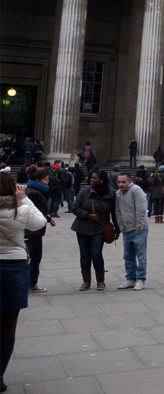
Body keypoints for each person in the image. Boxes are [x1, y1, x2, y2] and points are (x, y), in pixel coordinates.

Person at [0, 170, 47, 393]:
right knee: (7, 327)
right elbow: (39, 223)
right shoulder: (21, 208)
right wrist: (24, 198)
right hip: (14, 267)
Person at [71, 170, 118, 291]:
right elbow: (75, 208)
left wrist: (117, 229)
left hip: (100, 227)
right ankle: (86, 281)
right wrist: (87, 215)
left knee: (96, 254)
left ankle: (101, 281)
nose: (91, 180)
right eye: (91, 178)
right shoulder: (85, 191)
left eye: (94, 178)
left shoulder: (112, 194)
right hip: (82, 227)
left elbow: (114, 212)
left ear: (102, 180)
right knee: (84, 255)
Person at [114, 173, 148, 291]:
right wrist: (121, 226)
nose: (121, 184)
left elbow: (141, 208)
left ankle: (141, 279)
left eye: (123, 182)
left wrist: (139, 225)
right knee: (128, 255)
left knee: (141, 255)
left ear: (129, 181)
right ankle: (130, 278)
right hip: (126, 229)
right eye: (119, 182)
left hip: (139, 229)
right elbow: (117, 211)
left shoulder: (136, 190)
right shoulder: (118, 193)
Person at [22, 166, 52, 294]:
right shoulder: (33, 193)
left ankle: (29, 283)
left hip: (33, 230)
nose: (47, 182)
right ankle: (31, 284)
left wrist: (48, 219)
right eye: (45, 180)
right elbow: (33, 212)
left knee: (32, 257)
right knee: (34, 257)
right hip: (32, 231)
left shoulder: (32, 190)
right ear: (38, 180)